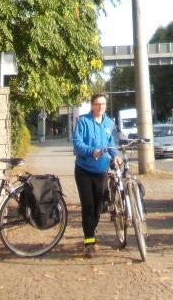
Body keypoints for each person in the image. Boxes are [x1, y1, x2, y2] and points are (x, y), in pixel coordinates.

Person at [72, 92, 118, 257]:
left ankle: (90, 233)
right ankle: (89, 241)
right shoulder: (83, 121)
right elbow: (77, 143)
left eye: (103, 104)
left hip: (101, 172)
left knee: (99, 208)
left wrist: (115, 155)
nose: (100, 107)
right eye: (98, 104)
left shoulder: (108, 122)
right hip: (84, 170)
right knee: (88, 206)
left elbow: (110, 142)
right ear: (92, 105)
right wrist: (93, 152)